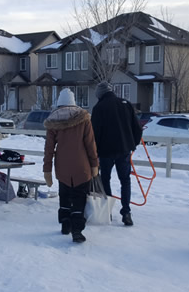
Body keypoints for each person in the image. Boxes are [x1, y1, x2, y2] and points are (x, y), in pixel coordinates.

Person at [43, 88, 99, 243]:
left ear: (59, 103)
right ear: (74, 103)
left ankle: (65, 224)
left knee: (65, 195)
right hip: (82, 166)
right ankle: (77, 230)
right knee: (80, 198)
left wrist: (47, 169)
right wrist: (94, 164)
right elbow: (90, 144)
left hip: (62, 167)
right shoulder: (84, 119)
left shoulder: (53, 121)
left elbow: (49, 149)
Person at [91, 81, 143, 226]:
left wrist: (94, 151)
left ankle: (107, 210)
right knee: (125, 180)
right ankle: (126, 212)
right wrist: (133, 144)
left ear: (99, 94)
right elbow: (137, 128)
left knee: (105, 179)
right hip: (124, 149)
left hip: (106, 151)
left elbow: (94, 133)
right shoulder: (126, 104)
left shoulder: (99, 108)